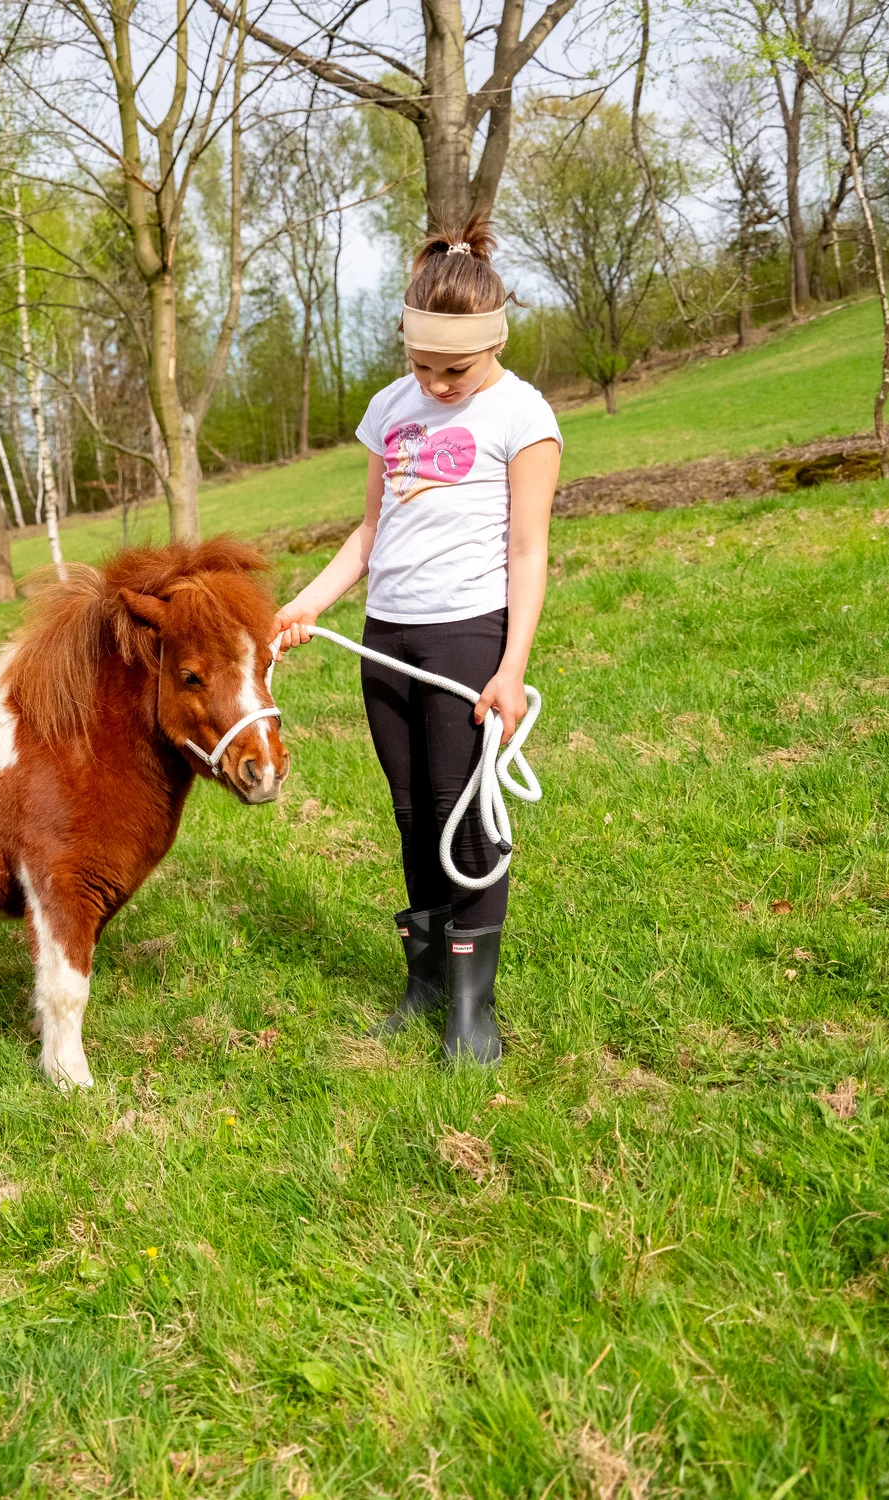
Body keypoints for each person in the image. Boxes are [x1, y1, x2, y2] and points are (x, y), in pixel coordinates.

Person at [271, 216, 561, 1064]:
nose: (434, 384)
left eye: (453, 369)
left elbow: (528, 549)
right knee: (410, 815)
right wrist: (304, 604)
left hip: (469, 634)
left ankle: (475, 1015)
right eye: (420, 364)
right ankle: (426, 983)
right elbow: (369, 533)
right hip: (389, 634)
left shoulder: (523, 415)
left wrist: (511, 668)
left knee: (460, 814)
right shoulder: (388, 410)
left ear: (493, 343)